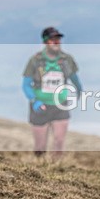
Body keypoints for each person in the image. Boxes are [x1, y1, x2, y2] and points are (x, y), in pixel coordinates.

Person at [22, 27, 82, 158]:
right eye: (52, 39)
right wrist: (34, 100)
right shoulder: (35, 60)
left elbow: (75, 79)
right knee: (40, 146)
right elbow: (26, 85)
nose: (56, 42)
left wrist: (78, 92)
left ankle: (57, 168)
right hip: (40, 106)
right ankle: (39, 167)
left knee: (59, 142)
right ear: (45, 42)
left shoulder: (67, 59)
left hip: (60, 104)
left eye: (58, 39)